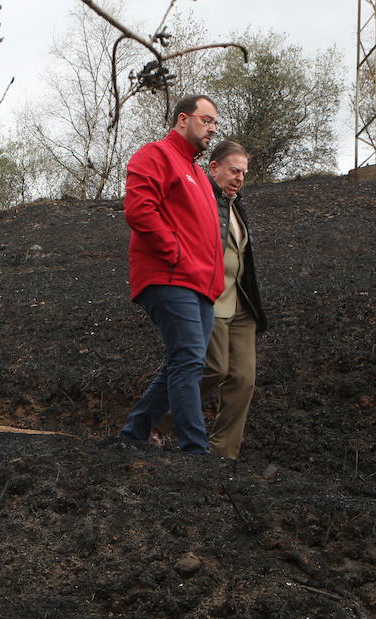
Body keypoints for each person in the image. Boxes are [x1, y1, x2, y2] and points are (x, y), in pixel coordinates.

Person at [118, 94, 224, 454]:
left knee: (183, 361)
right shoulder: (156, 154)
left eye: (215, 123)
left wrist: (214, 278)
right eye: (206, 120)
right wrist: (174, 253)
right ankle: (196, 450)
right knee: (189, 360)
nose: (213, 128)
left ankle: (134, 433)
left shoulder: (197, 173)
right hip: (169, 277)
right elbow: (138, 209)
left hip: (201, 286)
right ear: (183, 119)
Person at [200, 140, 267, 459]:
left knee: (243, 378)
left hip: (241, 304)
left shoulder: (237, 204)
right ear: (214, 168)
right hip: (211, 300)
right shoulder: (201, 200)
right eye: (234, 170)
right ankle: (155, 423)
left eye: (244, 172)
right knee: (213, 369)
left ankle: (223, 454)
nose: (240, 177)